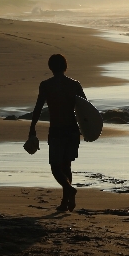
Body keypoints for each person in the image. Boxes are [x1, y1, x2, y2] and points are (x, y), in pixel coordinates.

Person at [28, 53, 86, 212]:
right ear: (65, 66)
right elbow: (85, 109)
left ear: (50, 67)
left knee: (55, 166)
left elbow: (38, 108)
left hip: (57, 130)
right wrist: (87, 130)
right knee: (67, 165)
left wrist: (32, 127)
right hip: (72, 130)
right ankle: (65, 201)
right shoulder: (74, 85)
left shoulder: (46, 85)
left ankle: (69, 190)